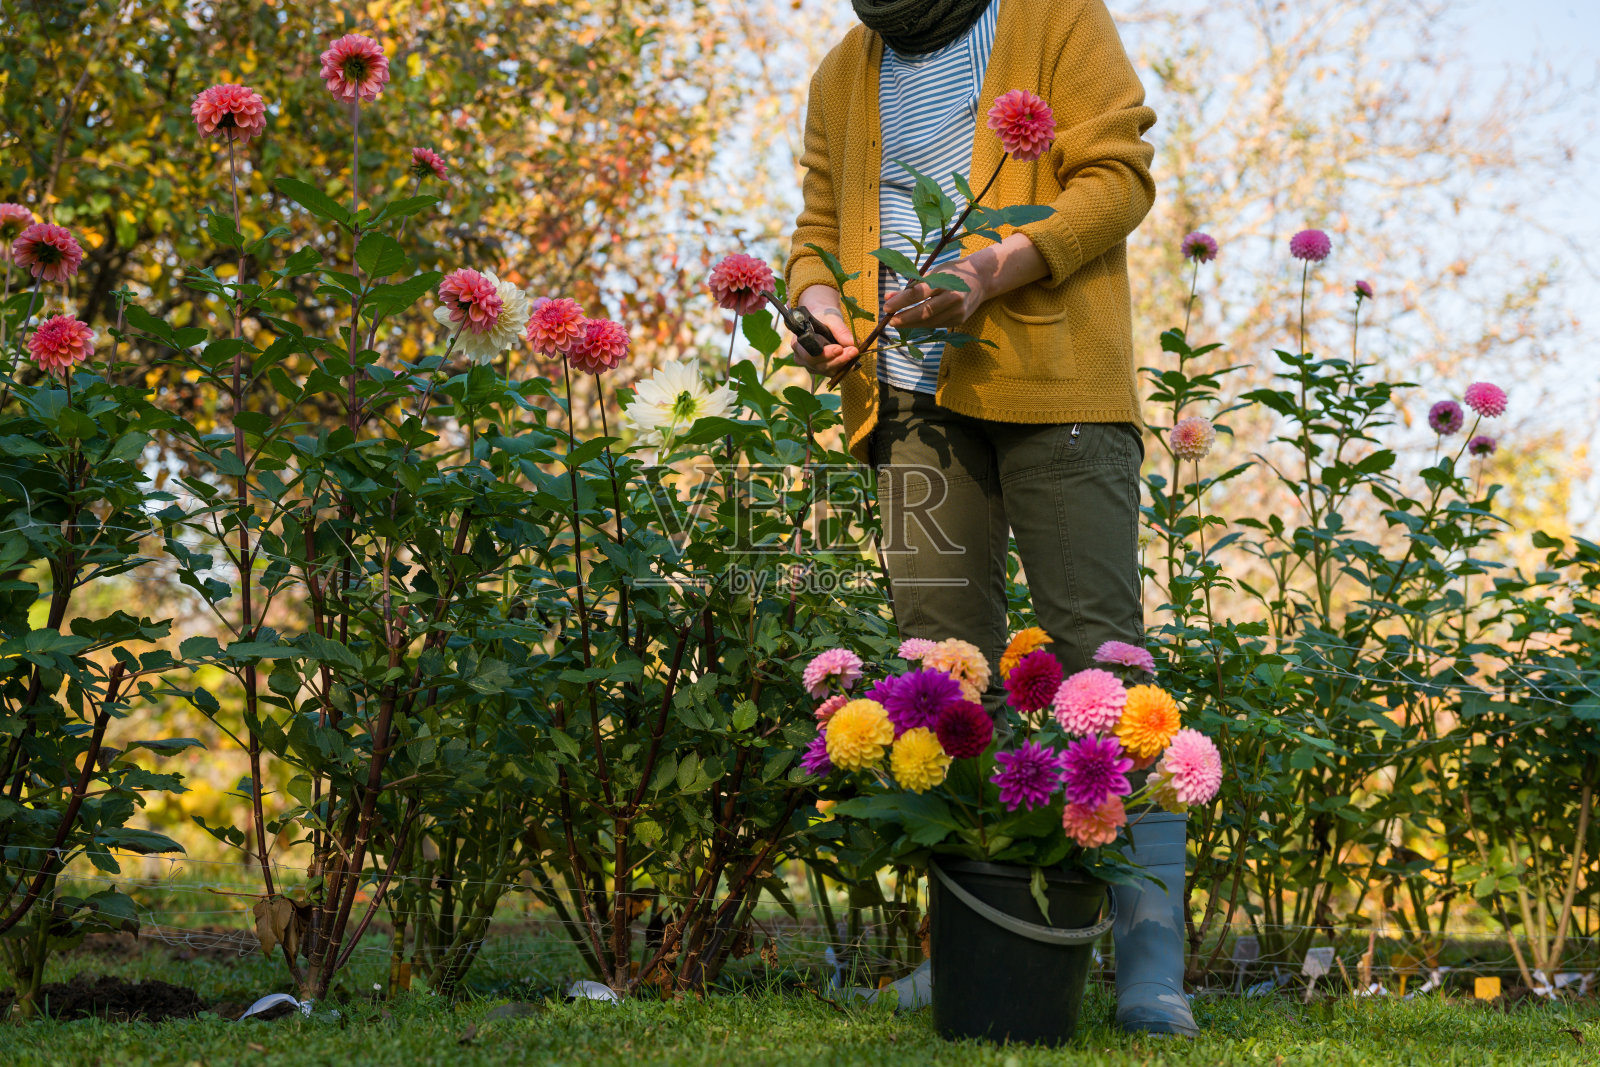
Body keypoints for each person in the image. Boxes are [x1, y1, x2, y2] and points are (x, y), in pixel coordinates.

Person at [784, 0, 1196, 1038]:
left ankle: (1149, 969)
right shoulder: (845, 68)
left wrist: (994, 268)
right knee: (938, 674)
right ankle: (966, 940)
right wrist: (820, 302)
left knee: (1104, 665)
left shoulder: (1055, 19)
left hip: (1058, 385)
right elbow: (816, 232)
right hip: (910, 404)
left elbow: (1117, 180)